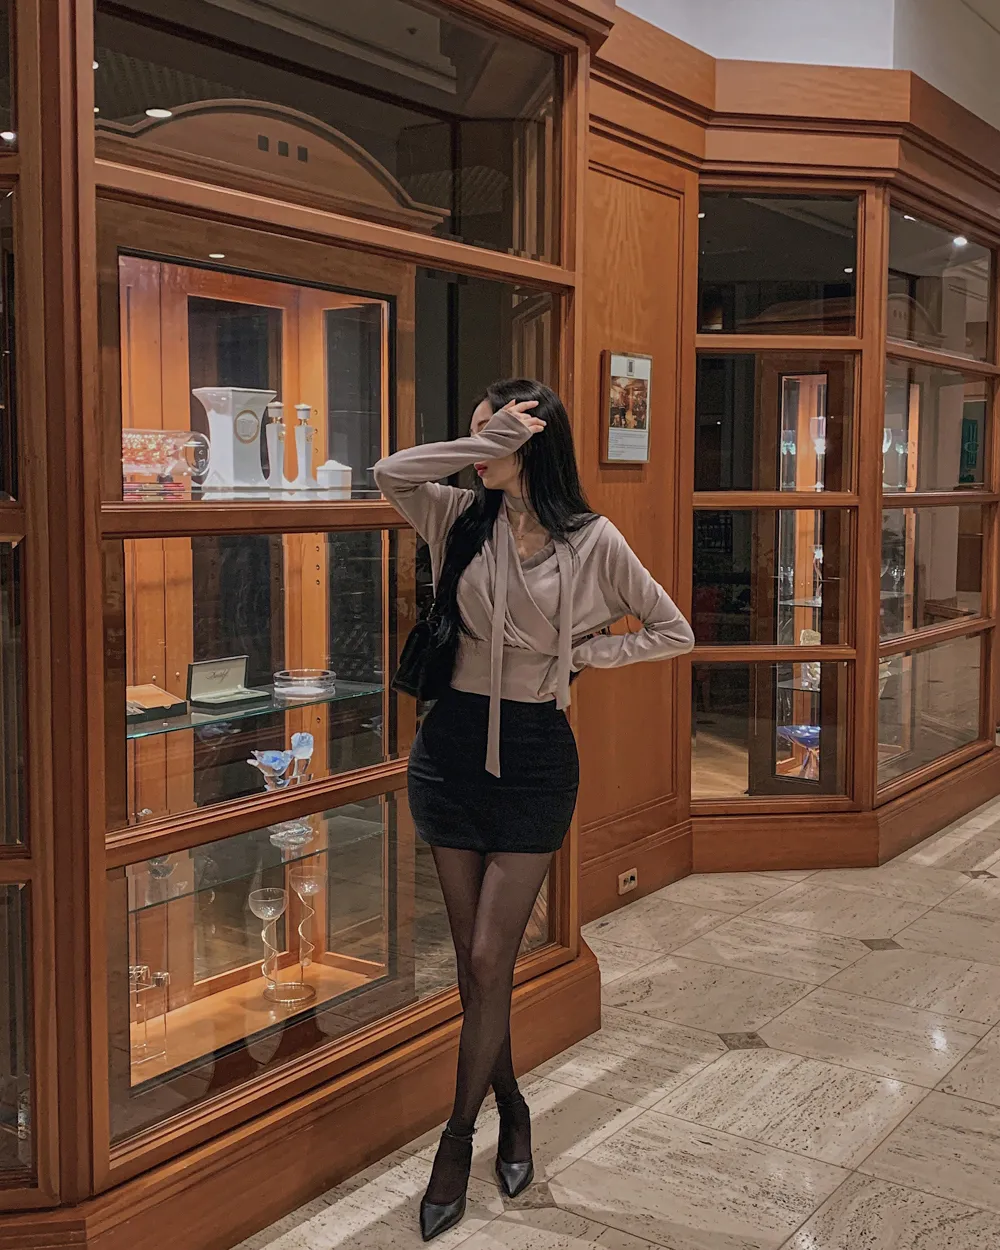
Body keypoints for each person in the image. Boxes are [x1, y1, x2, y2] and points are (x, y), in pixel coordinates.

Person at [373, 379, 694, 1242]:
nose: (481, 451)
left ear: (537, 440)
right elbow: (390, 472)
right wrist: (482, 443)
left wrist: (581, 654)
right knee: (477, 970)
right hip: (449, 752)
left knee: (489, 956)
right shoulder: (456, 516)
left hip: (538, 758)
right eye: (475, 435)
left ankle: (457, 1139)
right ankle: (511, 1101)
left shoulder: (592, 540)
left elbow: (674, 630)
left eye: (500, 436)